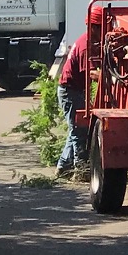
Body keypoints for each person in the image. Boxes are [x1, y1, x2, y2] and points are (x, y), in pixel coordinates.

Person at [56, 29, 90, 175]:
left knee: (74, 129)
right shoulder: (86, 46)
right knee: (78, 129)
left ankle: (63, 166)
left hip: (72, 89)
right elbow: (89, 73)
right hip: (69, 91)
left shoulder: (87, 40)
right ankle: (80, 167)